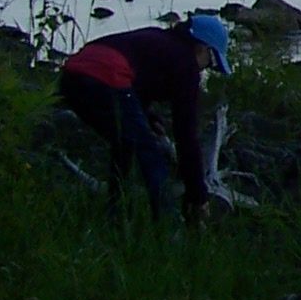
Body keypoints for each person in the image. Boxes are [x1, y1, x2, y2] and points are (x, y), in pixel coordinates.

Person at [55, 13, 231, 220]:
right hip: (106, 78)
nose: (205, 69)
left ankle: (115, 212)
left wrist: (148, 117)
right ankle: (169, 226)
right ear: (202, 48)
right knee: (150, 153)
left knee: (124, 143)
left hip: (71, 77)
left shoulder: (158, 40)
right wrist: (198, 196)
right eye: (210, 63)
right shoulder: (186, 63)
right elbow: (186, 136)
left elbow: (138, 85)